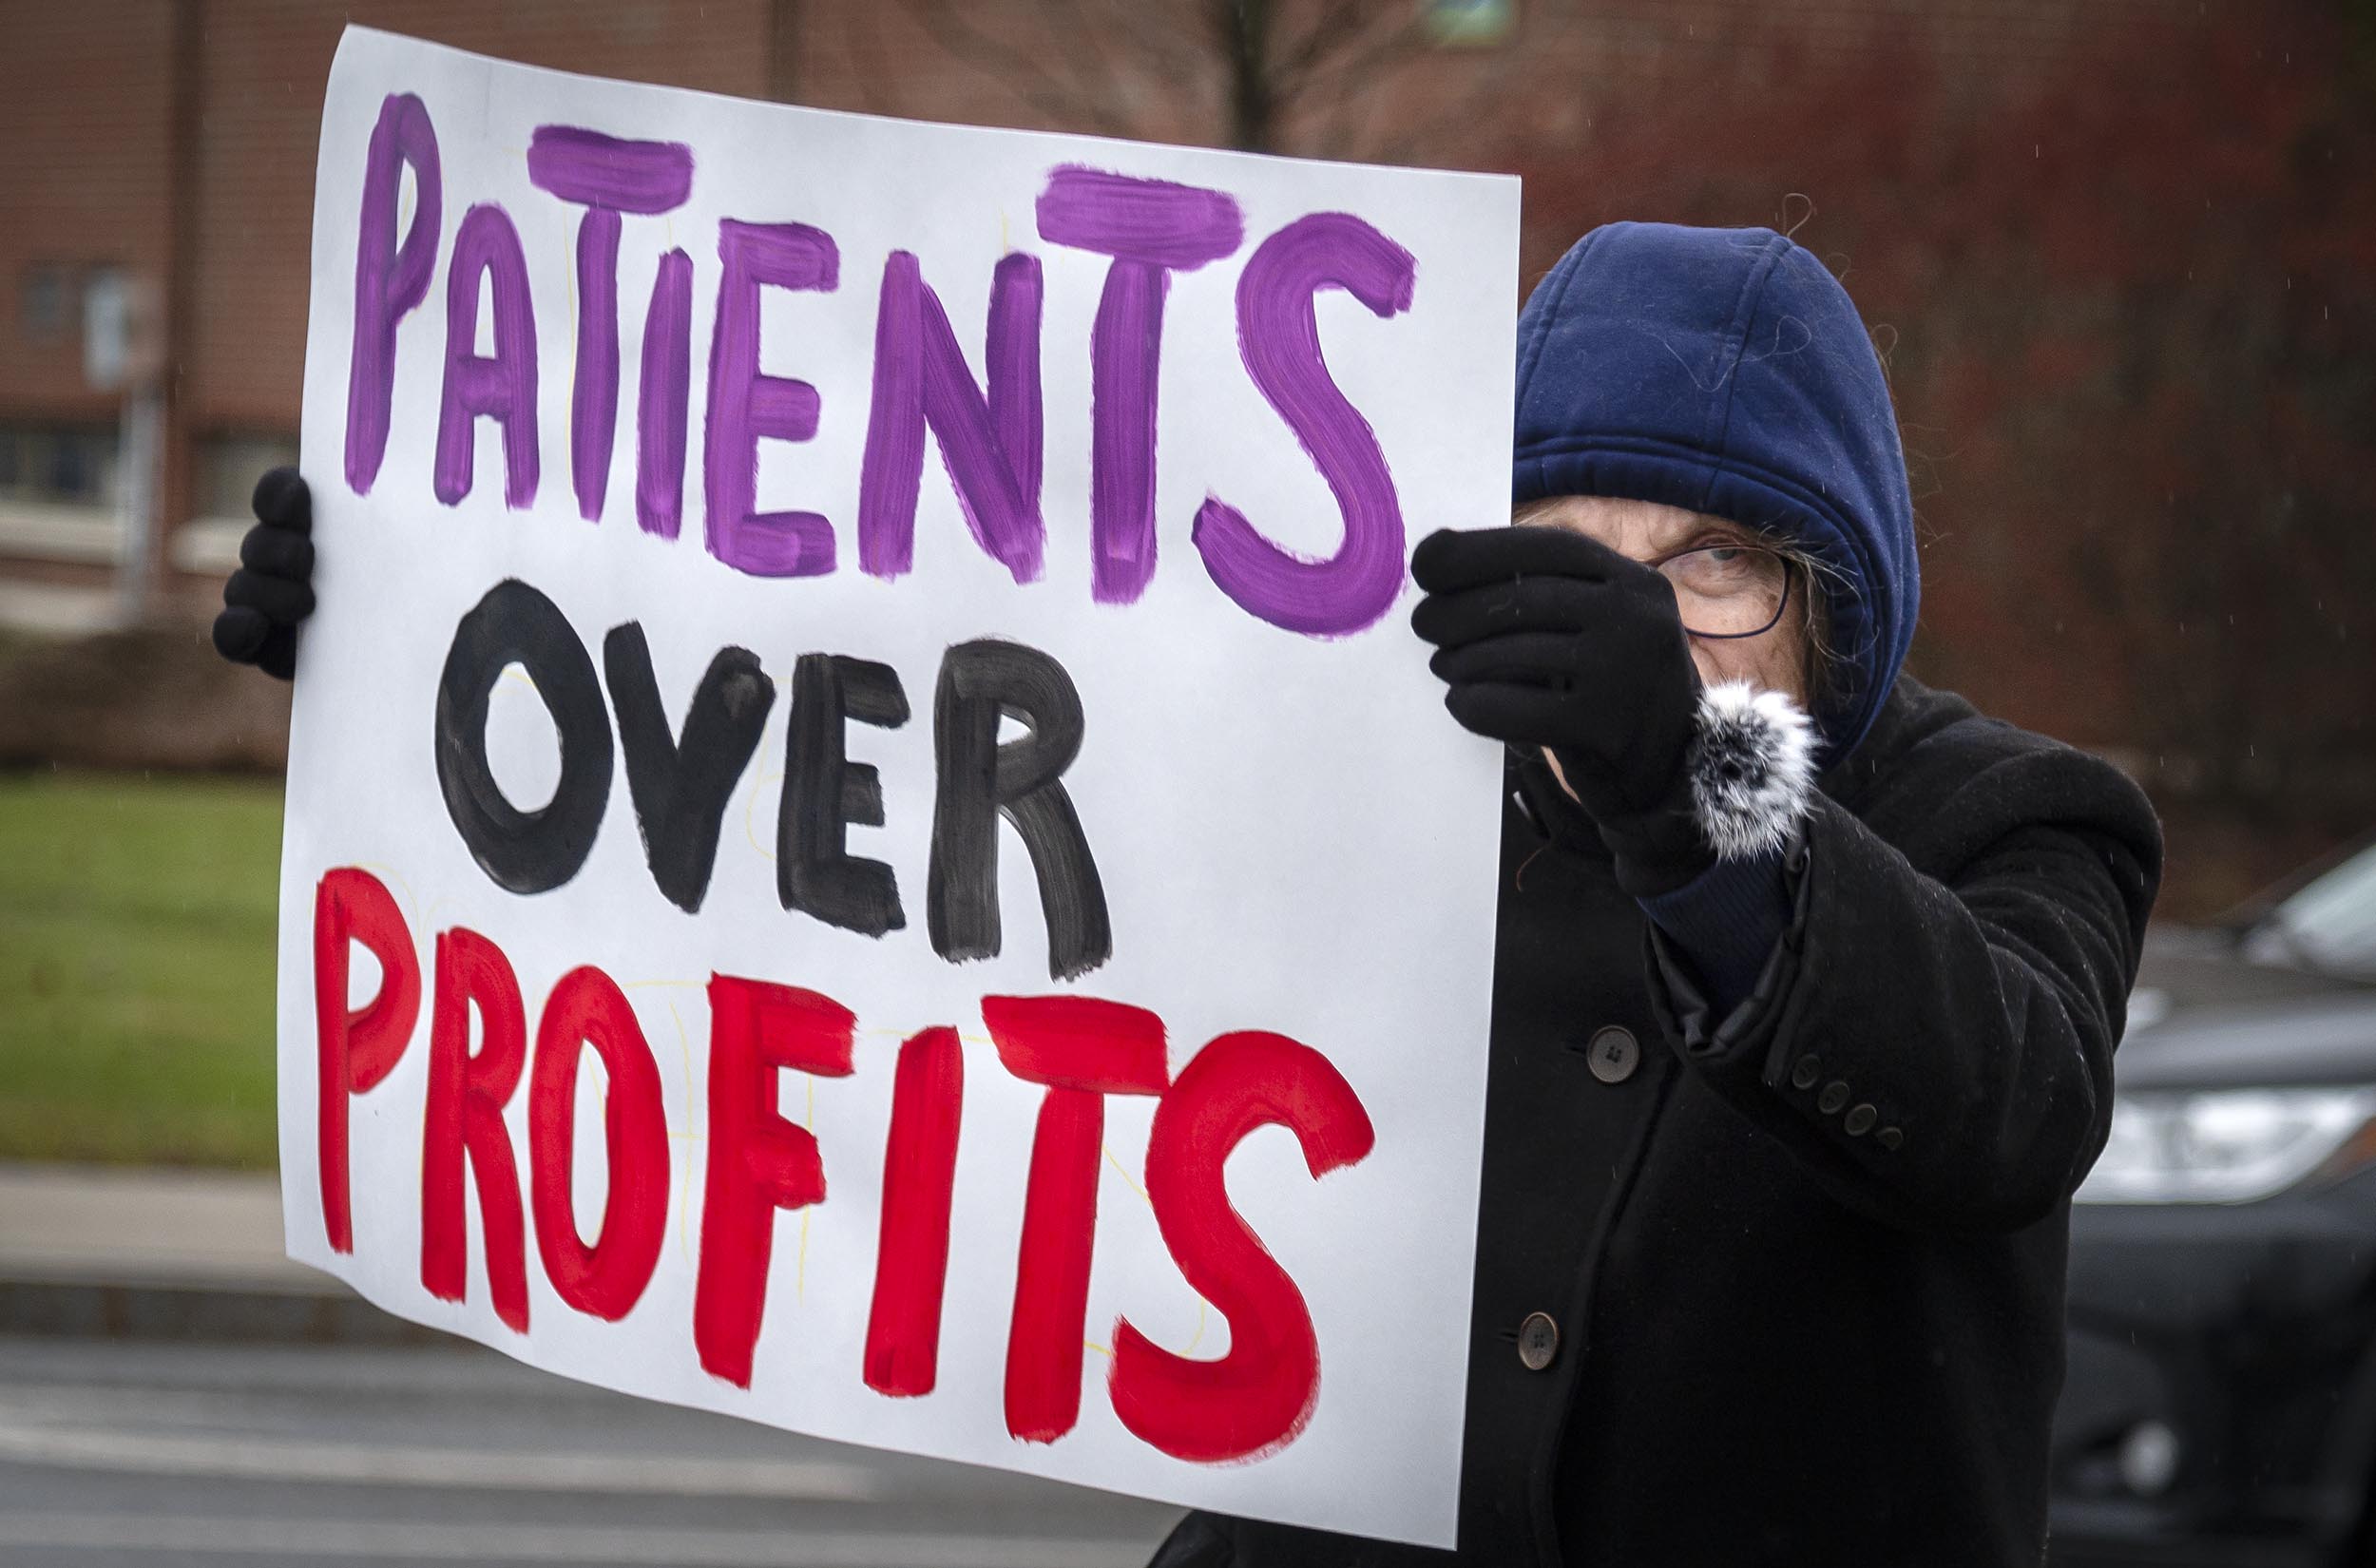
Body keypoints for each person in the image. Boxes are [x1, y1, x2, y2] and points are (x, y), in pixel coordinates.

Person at [217, 220, 2163, 1568]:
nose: (1621, 618)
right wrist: (414, 657)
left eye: (1705, 559)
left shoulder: (2014, 816)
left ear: (1835, 590)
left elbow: (2002, 1103)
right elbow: (824, 839)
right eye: (1557, 551)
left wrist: (1696, 792)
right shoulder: (1373, 796)